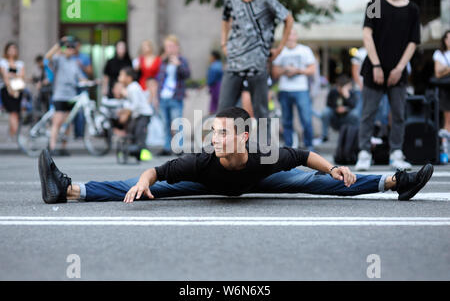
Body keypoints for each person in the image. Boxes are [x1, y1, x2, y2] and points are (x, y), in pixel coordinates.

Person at [37, 107, 434, 205]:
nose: (215, 136)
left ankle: (396, 182)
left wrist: (333, 167)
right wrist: (144, 179)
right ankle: (68, 190)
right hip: (207, 183)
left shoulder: (266, 156)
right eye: (213, 131)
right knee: (134, 188)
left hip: (256, 180)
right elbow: (157, 170)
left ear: (245, 137)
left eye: (223, 132)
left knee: (320, 183)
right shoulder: (202, 160)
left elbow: (304, 155)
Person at [356, 0, 420, 172]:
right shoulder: (374, 4)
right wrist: (376, 65)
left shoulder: (412, 9)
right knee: (368, 113)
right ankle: (364, 152)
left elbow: (413, 42)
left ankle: (396, 153)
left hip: (398, 71)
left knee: (399, 114)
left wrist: (400, 68)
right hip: (373, 69)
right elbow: (366, 34)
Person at [218, 0, 294, 122]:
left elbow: (288, 19)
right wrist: (223, 43)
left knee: (261, 112)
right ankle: (223, 140)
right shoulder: (231, 0)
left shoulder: (267, 0)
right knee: (223, 111)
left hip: (258, 64)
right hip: (234, 62)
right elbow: (225, 18)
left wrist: (280, 48)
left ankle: (263, 141)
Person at [272, 29, 316, 151]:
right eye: (288, 35)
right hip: (284, 90)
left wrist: (298, 71)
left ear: (296, 36)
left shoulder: (305, 50)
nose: (290, 38)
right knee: (287, 121)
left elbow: (312, 70)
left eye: (292, 35)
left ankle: (309, 145)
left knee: (306, 119)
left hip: (301, 90)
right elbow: (274, 73)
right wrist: (285, 70)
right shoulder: (280, 52)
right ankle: (289, 148)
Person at [45, 36, 87, 157]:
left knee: (68, 122)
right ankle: (52, 147)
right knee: (57, 121)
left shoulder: (75, 63)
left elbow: (81, 77)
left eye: (72, 47)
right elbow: (48, 57)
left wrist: (91, 81)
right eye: (67, 47)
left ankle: (63, 147)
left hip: (71, 95)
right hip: (60, 94)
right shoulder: (58, 59)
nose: (70, 49)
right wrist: (59, 44)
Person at [156, 35, 191, 156]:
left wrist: (178, 65)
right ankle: (166, 147)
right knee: (165, 123)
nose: (169, 49)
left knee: (177, 123)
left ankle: (178, 147)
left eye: (171, 46)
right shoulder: (163, 61)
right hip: (163, 96)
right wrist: (157, 96)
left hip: (176, 96)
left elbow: (187, 75)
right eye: (167, 47)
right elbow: (159, 79)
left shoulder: (182, 60)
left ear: (177, 47)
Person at [117, 67, 153, 151]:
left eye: (121, 75)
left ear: (129, 78)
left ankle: (143, 152)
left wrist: (126, 113)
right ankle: (135, 151)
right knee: (133, 131)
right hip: (137, 114)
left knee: (140, 133)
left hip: (144, 114)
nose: (119, 77)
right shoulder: (130, 87)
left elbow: (135, 104)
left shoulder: (133, 88)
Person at [318, 75, 360, 140]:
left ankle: (355, 137)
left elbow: (353, 105)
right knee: (325, 112)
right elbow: (328, 104)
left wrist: (347, 97)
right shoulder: (333, 92)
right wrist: (336, 109)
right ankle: (324, 136)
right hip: (335, 116)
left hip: (347, 116)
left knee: (355, 114)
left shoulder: (351, 92)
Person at [0, 42, 26, 141]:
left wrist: (16, 89)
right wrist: (10, 89)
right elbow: (5, 77)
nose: (12, 51)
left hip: (18, 89)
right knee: (13, 112)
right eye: (10, 49)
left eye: (14, 49)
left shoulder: (20, 63)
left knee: (16, 112)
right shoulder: (3, 62)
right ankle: (16, 136)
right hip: (7, 90)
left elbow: (22, 76)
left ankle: (12, 134)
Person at [133, 40, 162, 105]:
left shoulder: (157, 59)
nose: (145, 48)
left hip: (154, 84)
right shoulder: (140, 59)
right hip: (143, 83)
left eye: (146, 46)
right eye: (143, 47)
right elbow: (135, 71)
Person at [433, 30, 450, 135]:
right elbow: (438, 73)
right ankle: (446, 146)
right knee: (447, 118)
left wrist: (446, 68)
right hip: (446, 89)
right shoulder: (439, 53)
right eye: (448, 38)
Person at [207, 50, 223, 115]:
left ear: (214, 57)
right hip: (220, 84)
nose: (209, 58)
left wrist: (209, 83)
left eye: (210, 56)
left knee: (215, 101)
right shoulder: (220, 64)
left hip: (215, 86)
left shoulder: (214, 66)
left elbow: (211, 78)